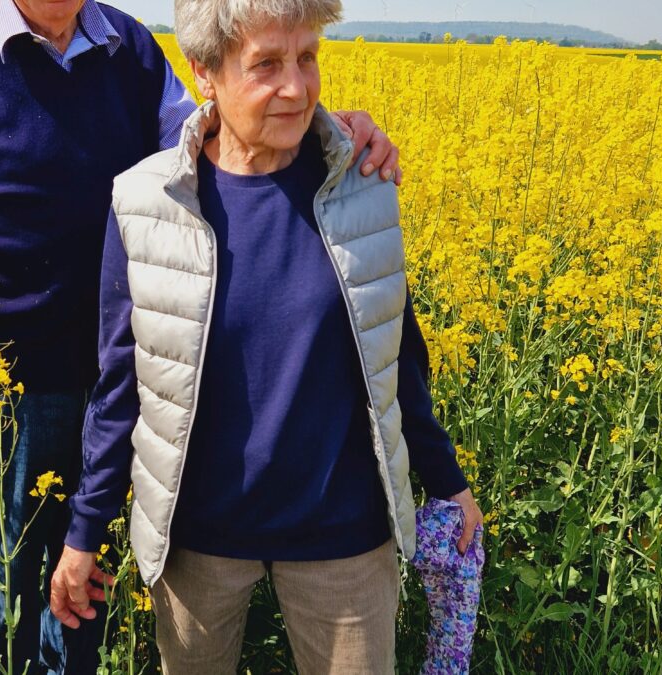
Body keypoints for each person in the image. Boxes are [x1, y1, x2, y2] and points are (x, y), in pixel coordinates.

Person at [0, 1, 402, 673]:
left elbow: (212, 136)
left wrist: (333, 131)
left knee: (82, 595)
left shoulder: (125, 46)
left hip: (121, 385)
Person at [49, 0, 484, 672]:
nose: (297, 86)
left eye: (307, 57)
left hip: (344, 534)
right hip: (197, 540)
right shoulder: (146, 203)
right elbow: (124, 386)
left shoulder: (363, 188)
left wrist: (446, 480)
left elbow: (392, 356)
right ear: (205, 73)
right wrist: (84, 529)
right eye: (267, 65)